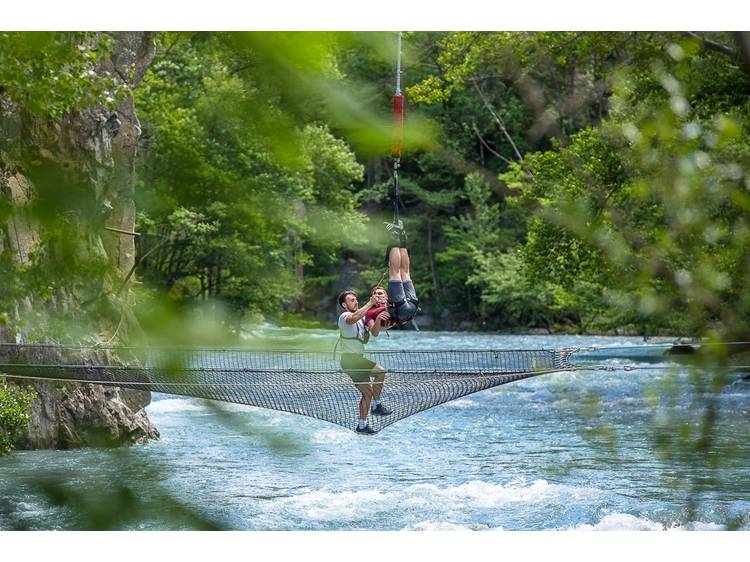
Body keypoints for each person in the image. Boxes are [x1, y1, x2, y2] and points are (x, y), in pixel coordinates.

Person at [337, 290, 393, 435]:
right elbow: (353, 318)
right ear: (344, 305)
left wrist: (379, 318)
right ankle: (377, 405)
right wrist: (370, 304)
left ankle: (362, 425)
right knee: (380, 371)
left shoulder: (363, 318)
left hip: (357, 360)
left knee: (367, 393)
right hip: (350, 360)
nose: (355, 302)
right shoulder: (345, 316)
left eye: (356, 299)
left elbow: (375, 332)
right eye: (351, 300)